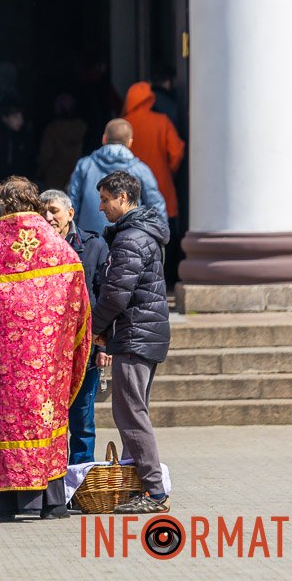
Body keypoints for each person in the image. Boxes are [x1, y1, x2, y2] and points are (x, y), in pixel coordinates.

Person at [0, 177, 91, 521]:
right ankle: (52, 504)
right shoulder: (58, 249)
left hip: (0, 371)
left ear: (2, 205)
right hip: (46, 368)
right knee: (45, 423)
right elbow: (77, 301)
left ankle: (2, 507)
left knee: (3, 425)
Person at [91, 171, 172, 513]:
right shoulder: (143, 233)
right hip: (143, 334)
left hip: (135, 335)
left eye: (106, 199)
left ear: (123, 198)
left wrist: (94, 328)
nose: (101, 207)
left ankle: (154, 492)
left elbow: (115, 294)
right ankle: (138, 486)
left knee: (130, 413)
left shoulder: (130, 239)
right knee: (133, 411)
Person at [41, 189, 109, 465]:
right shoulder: (34, 247)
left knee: (82, 418)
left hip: (84, 345)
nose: (48, 217)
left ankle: (80, 476)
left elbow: (103, 296)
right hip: (45, 348)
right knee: (47, 417)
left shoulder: (93, 246)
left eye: (54, 211)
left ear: (70, 213)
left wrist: (103, 346)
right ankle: (52, 477)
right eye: (43, 212)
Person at [122, 80, 186, 284]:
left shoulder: (124, 125)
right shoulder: (162, 121)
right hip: (162, 185)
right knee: (167, 234)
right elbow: (176, 152)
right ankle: (168, 278)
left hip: (127, 192)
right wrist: (169, 171)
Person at [67, 118, 166, 235]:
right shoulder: (141, 170)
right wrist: (160, 236)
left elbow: (72, 203)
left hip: (88, 239)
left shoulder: (84, 165)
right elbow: (156, 206)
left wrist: (72, 236)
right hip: (129, 238)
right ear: (130, 142)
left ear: (104, 139)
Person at [37, 93, 87, 191]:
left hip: (55, 175)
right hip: (74, 173)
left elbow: (46, 154)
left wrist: (39, 171)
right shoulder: (81, 128)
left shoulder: (52, 129)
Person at [0, 103, 36, 187]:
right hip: (0, 184)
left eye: (21, 117)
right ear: (5, 118)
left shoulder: (23, 137)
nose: (20, 120)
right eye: (15, 117)